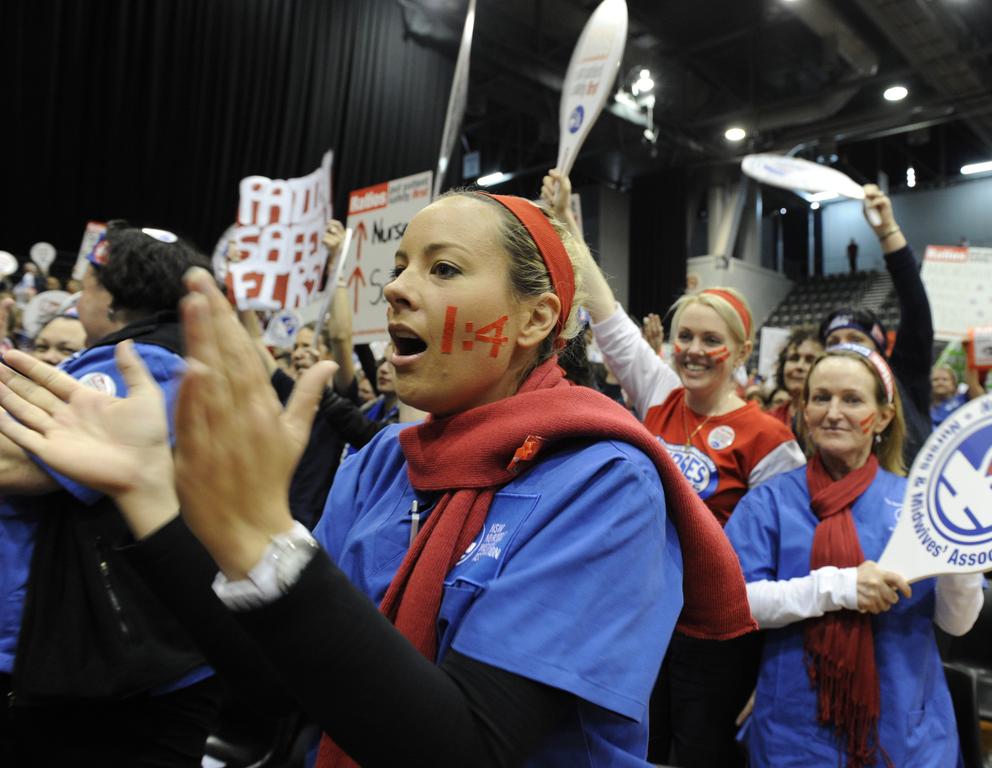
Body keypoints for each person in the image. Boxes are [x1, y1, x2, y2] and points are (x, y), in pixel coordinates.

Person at [0, 191, 755, 766]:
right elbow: (280, 682)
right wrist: (149, 495)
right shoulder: (386, 459)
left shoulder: (604, 482)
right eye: (398, 267)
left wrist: (268, 547)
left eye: (444, 268)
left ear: (535, 321)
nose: (395, 288)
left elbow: (468, 748)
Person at [543, 170, 802, 766]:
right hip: (643, 619)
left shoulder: (772, 440)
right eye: (684, 335)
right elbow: (604, 311)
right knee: (640, 748)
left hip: (717, 635)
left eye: (711, 340)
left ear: (739, 352)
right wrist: (563, 223)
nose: (691, 349)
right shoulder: (660, 391)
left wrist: (776, 672)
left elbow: (787, 559)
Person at [0, 224, 220, 766]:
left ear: (114, 295)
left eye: (89, 282)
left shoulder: (142, 363)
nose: (80, 295)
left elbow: (18, 462)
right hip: (102, 662)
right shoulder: (139, 357)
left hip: (119, 678)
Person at [724, 344, 984, 767]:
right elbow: (737, 604)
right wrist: (841, 587)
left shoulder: (921, 505)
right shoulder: (769, 502)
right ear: (804, 410)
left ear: (883, 416)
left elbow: (957, 621)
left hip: (905, 730)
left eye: (852, 399)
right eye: (821, 398)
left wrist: (964, 550)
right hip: (797, 726)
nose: (833, 412)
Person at [820, 186, 932, 466]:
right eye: (833, 342)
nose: (843, 347)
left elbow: (916, 308)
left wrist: (887, 231)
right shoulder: (817, 407)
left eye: (856, 339)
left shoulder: (903, 377)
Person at [768, 327, 823, 434]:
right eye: (794, 358)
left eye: (809, 360)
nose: (799, 366)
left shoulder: (831, 421)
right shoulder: (769, 419)